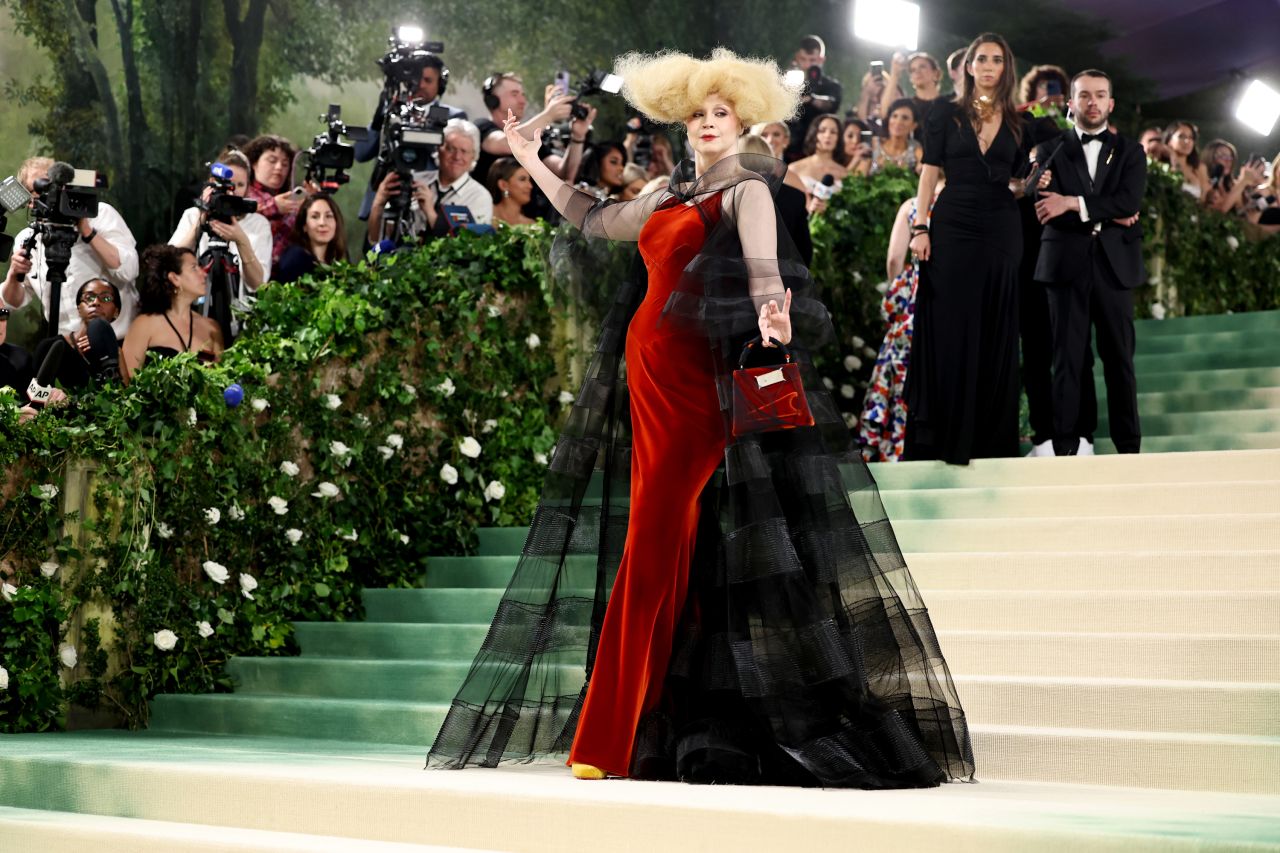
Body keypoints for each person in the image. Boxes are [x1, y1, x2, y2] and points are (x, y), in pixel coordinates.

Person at [427, 47, 973, 790]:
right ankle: (648, 715)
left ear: (743, 122)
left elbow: (763, 275)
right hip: (647, 382)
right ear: (682, 127)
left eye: (721, 114)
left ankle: (610, 731)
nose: (708, 125)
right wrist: (531, 154)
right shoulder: (662, 195)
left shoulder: (747, 192)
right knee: (669, 538)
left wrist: (774, 317)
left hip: (698, 388)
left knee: (656, 534)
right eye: (697, 116)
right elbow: (591, 215)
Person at [905, 33, 1041, 464]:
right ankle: (946, 438)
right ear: (967, 66)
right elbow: (928, 174)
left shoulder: (1019, 121)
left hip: (1002, 225)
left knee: (996, 325)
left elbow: (1018, 180)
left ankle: (990, 442)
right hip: (953, 223)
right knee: (952, 324)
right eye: (980, 58)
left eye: (996, 59)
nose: (987, 65)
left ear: (1006, 68)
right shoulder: (944, 112)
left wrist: (1034, 184)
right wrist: (919, 227)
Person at [1033, 70, 1146, 456]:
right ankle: (1066, 448)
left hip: (1115, 268)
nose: (1092, 102)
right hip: (1065, 265)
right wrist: (1102, 211)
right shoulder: (1050, 149)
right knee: (1066, 360)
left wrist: (1073, 202)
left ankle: (1129, 449)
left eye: (1100, 95)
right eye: (1084, 96)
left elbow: (1130, 202)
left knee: (1119, 360)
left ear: (1110, 104)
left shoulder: (1131, 151)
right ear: (1071, 103)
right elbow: (1044, 206)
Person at [1, 157, 139, 339]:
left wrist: (87, 231)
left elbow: (130, 270)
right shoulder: (28, 239)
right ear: (29, 201)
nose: (52, 193)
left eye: (55, 185)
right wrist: (13, 274)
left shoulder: (99, 215)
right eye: (42, 188)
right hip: (67, 345)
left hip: (116, 340)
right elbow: (14, 302)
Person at [859, 175, 943, 461]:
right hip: (949, 303)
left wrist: (901, 292)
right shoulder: (959, 205)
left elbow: (894, 260)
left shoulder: (911, 207)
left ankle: (896, 448)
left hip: (914, 303)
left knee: (901, 378)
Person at [168, 149, 272, 331]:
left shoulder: (258, 224)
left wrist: (241, 240)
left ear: (248, 188)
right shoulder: (193, 215)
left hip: (240, 322)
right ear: (211, 184)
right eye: (227, 184)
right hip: (192, 319)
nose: (232, 191)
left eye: (240, 185)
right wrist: (200, 222)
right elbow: (168, 262)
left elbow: (258, 284)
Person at [367, 118, 493, 244]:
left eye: (464, 151)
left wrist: (430, 212)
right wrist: (378, 204)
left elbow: (467, 249)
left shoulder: (480, 197)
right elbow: (376, 240)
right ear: (438, 150)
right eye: (450, 149)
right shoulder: (414, 181)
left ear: (474, 156)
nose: (457, 157)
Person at [121, 245, 223, 383]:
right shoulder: (144, 324)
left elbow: (220, 380)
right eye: (194, 268)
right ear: (174, 278)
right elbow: (128, 384)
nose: (204, 273)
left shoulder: (211, 327)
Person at [31, 278, 122, 392]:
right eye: (89, 298)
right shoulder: (50, 347)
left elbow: (122, 396)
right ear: (79, 308)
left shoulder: (117, 352)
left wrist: (114, 355)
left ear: (116, 311)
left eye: (106, 298)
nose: (96, 302)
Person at [738, 132, 812, 264]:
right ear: (770, 158)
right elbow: (805, 252)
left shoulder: (726, 196)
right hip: (785, 280)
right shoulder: (796, 198)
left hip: (736, 279)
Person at [242, 135, 306, 265]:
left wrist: (310, 207)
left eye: (285, 164)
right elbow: (239, 218)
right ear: (254, 163)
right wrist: (274, 207)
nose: (279, 168)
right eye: (272, 160)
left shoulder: (289, 197)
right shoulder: (242, 190)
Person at [784, 35, 842, 161]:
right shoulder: (788, 82)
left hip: (816, 151)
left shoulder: (831, 86)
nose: (807, 64)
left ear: (821, 60)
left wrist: (810, 99)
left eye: (812, 60)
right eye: (803, 59)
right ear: (797, 57)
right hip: (787, 149)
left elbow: (831, 104)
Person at [275, 194, 349, 283]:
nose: (322, 223)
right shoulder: (295, 258)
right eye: (315, 217)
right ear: (304, 226)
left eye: (328, 216)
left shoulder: (340, 259)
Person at [880, 52, 944, 141]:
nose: (917, 71)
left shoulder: (949, 104)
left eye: (922, 66)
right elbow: (886, 112)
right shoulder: (908, 106)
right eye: (913, 70)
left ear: (936, 73)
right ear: (911, 78)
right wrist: (895, 75)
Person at [855, 99, 921, 175]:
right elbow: (859, 177)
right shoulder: (873, 144)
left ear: (914, 125)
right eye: (894, 116)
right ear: (889, 119)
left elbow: (927, 170)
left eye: (905, 118)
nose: (898, 122)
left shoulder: (915, 149)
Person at [789, 114, 849, 195]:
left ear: (838, 138)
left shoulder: (844, 173)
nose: (827, 135)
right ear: (814, 134)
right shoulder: (794, 169)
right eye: (822, 131)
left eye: (833, 132)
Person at [1162, 121, 1209, 200]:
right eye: (1181, 136)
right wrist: (1173, 157)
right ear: (1169, 140)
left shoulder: (1199, 168)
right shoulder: (1162, 166)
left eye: (1191, 138)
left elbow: (1203, 201)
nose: (1187, 141)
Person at [487, 158, 537, 226]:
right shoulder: (487, 214)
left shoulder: (531, 225)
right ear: (503, 185)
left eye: (529, 180)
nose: (530, 186)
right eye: (522, 179)